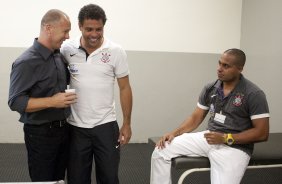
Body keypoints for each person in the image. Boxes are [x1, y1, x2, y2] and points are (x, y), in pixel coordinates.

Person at [150, 48, 270, 184]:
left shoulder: (253, 94)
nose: (219, 69)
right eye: (219, 63)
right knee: (161, 150)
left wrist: (226, 138)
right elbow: (196, 117)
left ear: (240, 68)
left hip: (234, 148)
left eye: (226, 66)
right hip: (209, 138)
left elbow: (262, 133)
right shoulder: (210, 88)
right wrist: (174, 133)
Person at [60, 4, 133, 184]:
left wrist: (127, 123)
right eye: (89, 29)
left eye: (98, 29)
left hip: (106, 126)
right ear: (80, 26)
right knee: (77, 179)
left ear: (104, 27)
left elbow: (125, 88)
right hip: (76, 127)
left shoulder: (116, 51)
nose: (94, 34)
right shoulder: (67, 49)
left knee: (108, 178)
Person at [8, 9, 76, 182]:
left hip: (63, 130)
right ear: (48, 28)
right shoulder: (26, 62)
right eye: (65, 31)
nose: (68, 36)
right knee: (43, 180)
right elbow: (15, 102)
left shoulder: (58, 56)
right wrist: (52, 101)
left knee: (59, 179)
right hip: (40, 134)